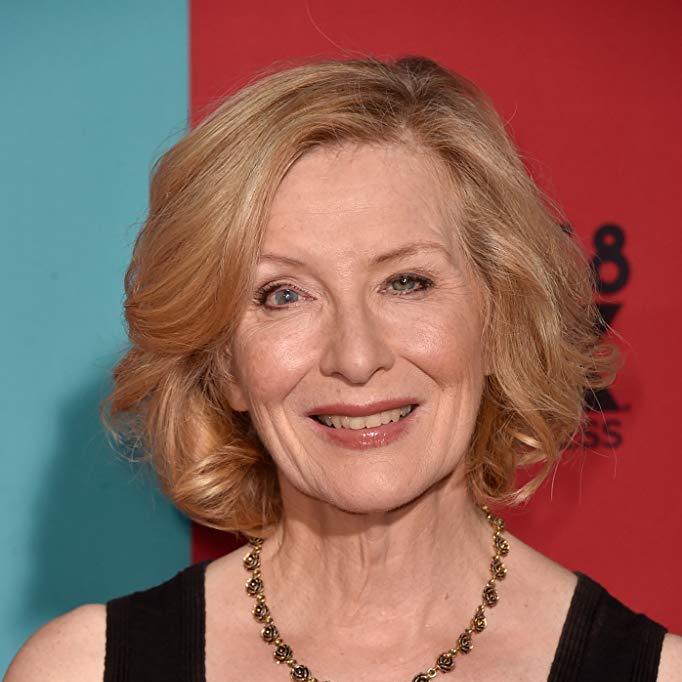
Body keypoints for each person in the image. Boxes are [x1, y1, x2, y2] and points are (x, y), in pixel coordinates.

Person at [6, 55, 681, 682]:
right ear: (225, 363)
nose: (356, 358)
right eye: (284, 295)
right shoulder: (81, 672)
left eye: (407, 282)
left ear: (496, 322)